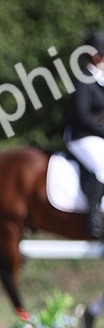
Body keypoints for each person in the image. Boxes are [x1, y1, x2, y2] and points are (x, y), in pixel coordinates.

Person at [65, 30, 104, 239]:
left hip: (97, 136)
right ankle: (93, 218)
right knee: (102, 167)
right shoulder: (83, 80)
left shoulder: (101, 80)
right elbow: (82, 116)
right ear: (97, 57)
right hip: (81, 136)